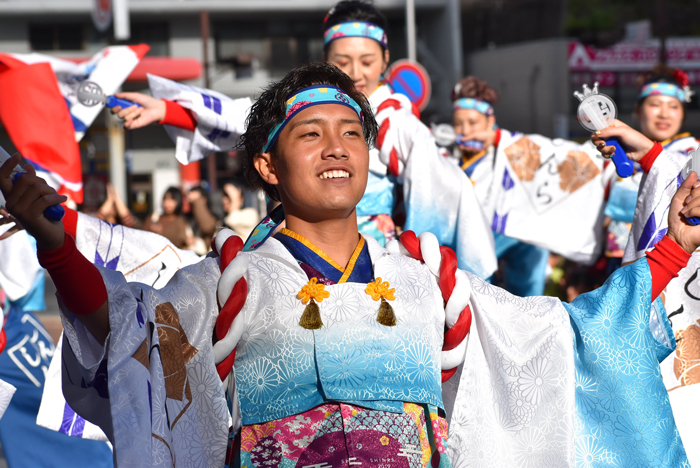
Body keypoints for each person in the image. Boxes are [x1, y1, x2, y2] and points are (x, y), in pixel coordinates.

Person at [3, 60, 697, 467]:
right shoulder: (223, 280)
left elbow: (561, 339)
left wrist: (676, 244)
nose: (336, 147)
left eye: (351, 133)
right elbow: (130, 335)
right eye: (311, 133)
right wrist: (58, 248)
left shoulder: (431, 275)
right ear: (267, 164)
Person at [108, 0, 497, 280]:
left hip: (373, 264)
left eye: (366, 61)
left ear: (386, 60)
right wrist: (167, 111)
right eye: (342, 62)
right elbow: (238, 118)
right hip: (297, 257)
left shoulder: (400, 124)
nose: (356, 73)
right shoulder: (302, 105)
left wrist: (427, 271)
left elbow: (446, 192)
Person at [449, 75, 610, 295]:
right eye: (458, 123)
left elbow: (553, 154)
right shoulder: (447, 161)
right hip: (471, 253)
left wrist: (497, 138)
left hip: (522, 236)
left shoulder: (511, 149)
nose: (466, 131)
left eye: (473, 123)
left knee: (526, 299)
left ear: (490, 121)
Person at [620, 66, 700, 465]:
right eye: (655, 104)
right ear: (638, 111)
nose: (665, 113)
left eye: (673, 106)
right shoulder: (648, 156)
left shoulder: (686, 157)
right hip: (642, 268)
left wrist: (652, 157)